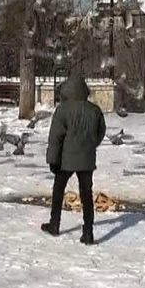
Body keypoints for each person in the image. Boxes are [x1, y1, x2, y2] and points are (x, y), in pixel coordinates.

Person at [43, 74, 106, 245]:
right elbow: (101, 132)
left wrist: (53, 160)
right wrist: (90, 145)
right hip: (87, 159)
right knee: (86, 195)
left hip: (66, 160)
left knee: (58, 190)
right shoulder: (95, 110)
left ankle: (54, 224)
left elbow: (55, 138)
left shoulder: (63, 110)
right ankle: (88, 232)